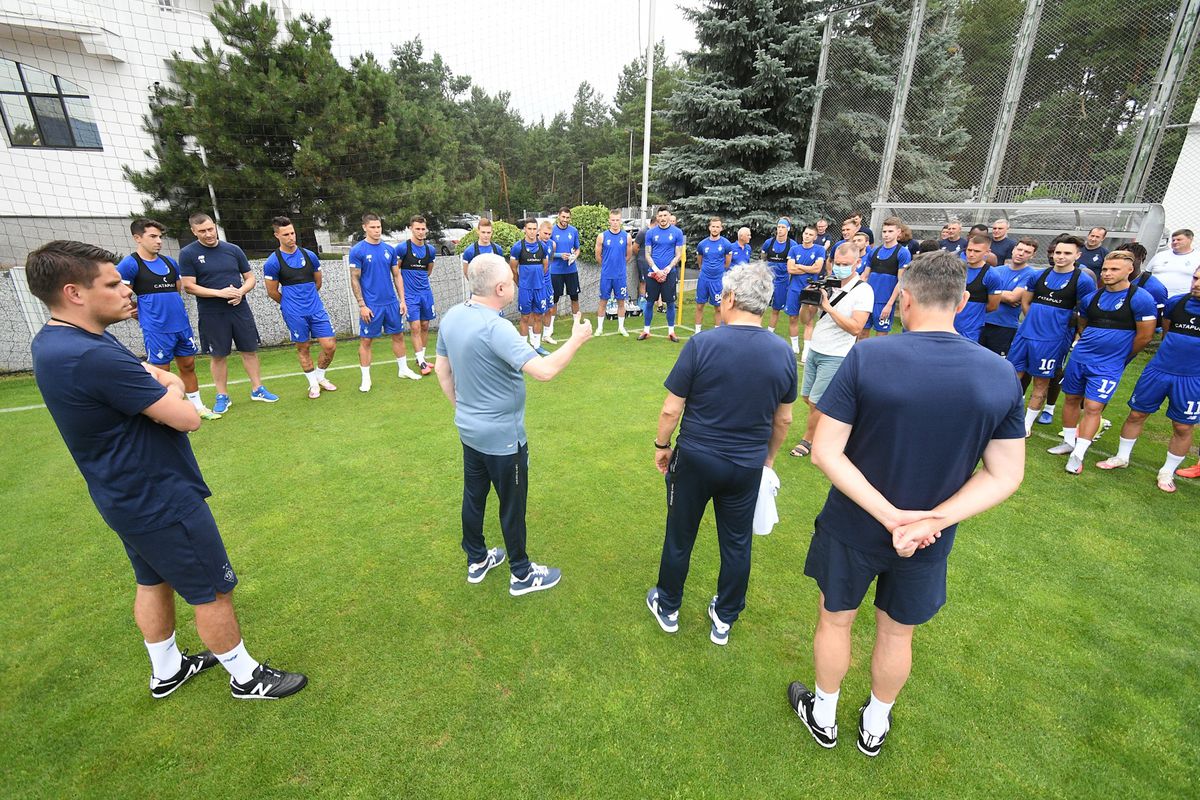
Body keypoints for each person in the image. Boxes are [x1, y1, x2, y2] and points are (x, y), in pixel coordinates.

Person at [28, 240, 307, 700]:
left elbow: (159, 377)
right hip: (158, 494)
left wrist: (164, 383)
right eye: (114, 283)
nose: (127, 291)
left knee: (152, 579)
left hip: (122, 496)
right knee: (213, 588)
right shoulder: (88, 354)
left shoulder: (61, 340)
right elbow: (187, 416)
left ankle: (168, 670)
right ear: (74, 292)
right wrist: (168, 387)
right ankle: (246, 676)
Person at [787, 250, 1025, 757]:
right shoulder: (1000, 373)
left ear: (905, 299)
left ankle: (825, 714)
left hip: (856, 524)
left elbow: (825, 452)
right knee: (898, 636)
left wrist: (897, 518)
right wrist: (928, 521)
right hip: (927, 538)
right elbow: (1006, 475)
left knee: (835, 619)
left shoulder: (869, 356)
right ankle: (873, 724)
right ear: (962, 302)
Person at [646, 263, 796, 645]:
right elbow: (784, 420)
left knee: (680, 535)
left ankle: (668, 606)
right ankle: (724, 617)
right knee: (737, 542)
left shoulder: (703, 343)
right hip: (745, 463)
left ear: (730, 298)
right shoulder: (782, 352)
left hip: (696, 458)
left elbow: (670, 409)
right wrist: (768, 459)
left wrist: (662, 447)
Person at [434, 254, 593, 595]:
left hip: (469, 431)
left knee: (473, 496)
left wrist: (463, 410)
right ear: (501, 288)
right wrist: (577, 339)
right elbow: (545, 371)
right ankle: (521, 574)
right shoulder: (496, 327)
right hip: (504, 440)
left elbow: (441, 371)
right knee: (512, 504)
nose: (517, 283)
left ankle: (476, 559)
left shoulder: (453, 315)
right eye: (512, 278)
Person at [1048, 251, 1157, 474]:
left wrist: (1121, 357)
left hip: (1108, 365)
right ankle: (1069, 442)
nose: (1107, 273)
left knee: (1093, 406)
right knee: (1071, 399)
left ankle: (1079, 454)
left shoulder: (1141, 298)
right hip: (1081, 358)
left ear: (1130, 270)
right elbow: (1083, 325)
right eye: (1105, 269)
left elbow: (1145, 336)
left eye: (1114, 269)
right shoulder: (1092, 298)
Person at [1097, 265, 1200, 491]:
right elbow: (1166, 332)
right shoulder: (1176, 303)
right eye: (1195, 278)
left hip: (1192, 379)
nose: (1197, 284)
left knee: (1183, 426)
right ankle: (1121, 457)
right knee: (1137, 413)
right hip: (1158, 371)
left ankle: (1167, 472)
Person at [118, 219, 218, 420]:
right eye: (152, 237)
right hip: (156, 329)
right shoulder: (130, 264)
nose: (159, 241)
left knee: (188, 365)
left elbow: (177, 291)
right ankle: (169, 413)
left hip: (181, 326)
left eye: (160, 237)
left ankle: (197, 407)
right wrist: (137, 312)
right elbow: (121, 294)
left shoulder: (170, 263)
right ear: (137, 238)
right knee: (161, 372)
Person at [178, 213, 277, 412]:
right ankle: (222, 395)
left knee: (249, 350)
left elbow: (250, 278)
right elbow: (189, 286)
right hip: (212, 313)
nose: (208, 234)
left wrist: (241, 291)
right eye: (202, 231)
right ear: (193, 231)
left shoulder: (233, 250)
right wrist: (219, 293)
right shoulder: (188, 253)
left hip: (239, 309)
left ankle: (257, 389)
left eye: (210, 229)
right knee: (219, 355)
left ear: (215, 226)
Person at [787, 243, 874, 459]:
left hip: (837, 354)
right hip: (816, 348)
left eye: (846, 264)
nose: (840, 268)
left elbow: (856, 327)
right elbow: (807, 321)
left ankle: (808, 439)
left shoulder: (863, 290)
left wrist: (828, 307)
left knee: (818, 401)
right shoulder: (826, 284)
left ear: (857, 263)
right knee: (807, 397)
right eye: (837, 263)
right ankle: (842, 425)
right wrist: (808, 304)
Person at [1008, 235, 1096, 435]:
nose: (1061, 257)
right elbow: (1026, 302)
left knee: (1041, 382)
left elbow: (1084, 312)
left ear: (1077, 255)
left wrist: (1075, 333)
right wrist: (1035, 322)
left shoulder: (1082, 281)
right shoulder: (1038, 276)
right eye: (1058, 252)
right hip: (1025, 335)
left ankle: (1026, 424)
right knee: (1012, 377)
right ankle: (1006, 414)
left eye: (1067, 253)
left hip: (1053, 340)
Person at [262, 217, 337, 400]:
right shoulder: (273, 262)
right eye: (286, 234)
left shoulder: (309, 255)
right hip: (294, 313)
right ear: (277, 236)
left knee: (330, 346)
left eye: (292, 233)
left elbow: (317, 282)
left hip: (316, 309)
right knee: (303, 347)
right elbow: (272, 292)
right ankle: (313, 384)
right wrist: (290, 305)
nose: (291, 237)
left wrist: (308, 299)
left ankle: (320, 377)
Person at [349, 213, 420, 391]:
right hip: (371, 306)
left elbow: (397, 275)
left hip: (391, 304)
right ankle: (366, 379)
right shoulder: (358, 251)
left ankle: (403, 369)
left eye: (379, 227)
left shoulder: (389, 249)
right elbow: (354, 278)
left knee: (398, 335)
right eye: (373, 227)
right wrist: (362, 305)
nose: (377, 230)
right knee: (366, 341)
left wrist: (402, 300)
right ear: (364, 227)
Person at [979, 237, 1038, 357]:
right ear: (1013, 250)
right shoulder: (996, 270)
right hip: (982, 322)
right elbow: (979, 291)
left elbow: (1013, 298)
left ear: (1033, 255)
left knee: (996, 363)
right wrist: (1004, 295)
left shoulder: (1031, 274)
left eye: (1027, 252)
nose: (1021, 254)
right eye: (1019, 249)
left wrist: (992, 294)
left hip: (1004, 326)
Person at [858, 217, 911, 339]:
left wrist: (889, 304)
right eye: (884, 231)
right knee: (861, 333)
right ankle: (860, 357)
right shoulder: (874, 251)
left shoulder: (902, 253)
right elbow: (865, 276)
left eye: (890, 231)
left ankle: (877, 358)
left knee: (880, 337)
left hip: (884, 302)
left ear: (898, 232)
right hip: (868, 300)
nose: (886, 234)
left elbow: (901, 281)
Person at [398, 215, 438, 374]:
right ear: (411, 229)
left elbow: (428, 271)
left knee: (425, 325)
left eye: (423, 229)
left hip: (425, 294)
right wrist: (403, 296)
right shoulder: (402, 249)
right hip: (410, 295)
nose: (421, 232)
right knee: (414, 327)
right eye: (417, 229)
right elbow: (397, 272)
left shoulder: (430, 250)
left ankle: (420, 356)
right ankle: (421, 363)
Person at [640, 206, 685, 342]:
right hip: (653, 273)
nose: (663, 218)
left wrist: (667, 269)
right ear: (657, 217)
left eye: (665, 215)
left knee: (670, 303)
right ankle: (646, 330)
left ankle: (671, 332)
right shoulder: (651, 233)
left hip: (669, 273)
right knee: (649, 302)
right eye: (660, 216)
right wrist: (655, 269)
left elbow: (678, 254)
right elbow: (647, 253)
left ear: (669, 216)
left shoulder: (677, 232)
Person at [509, 219, 551, 355]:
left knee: (538, 316)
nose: (532, 232)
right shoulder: (517, 247)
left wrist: (539, 280)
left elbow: (545, 266)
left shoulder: (542, 247)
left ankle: (537, 346)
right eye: (529, 229)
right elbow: (513, 270)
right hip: (525, 289)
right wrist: (521, 285)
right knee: (525, 318)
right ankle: (522, 348)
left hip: (539, 288)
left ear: (537, 230)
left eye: (534, 229)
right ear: (525, 230)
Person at [785, 223, 827, 359]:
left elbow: (817, 269)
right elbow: (790, 269)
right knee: (793, 317)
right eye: (805, 233)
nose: (807, 236)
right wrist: (808, 267)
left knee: (808, 320)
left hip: (811, 289)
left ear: (815, 237)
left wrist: (799, 266)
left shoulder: (820, 250)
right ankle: (795, 346)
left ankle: (806, 351)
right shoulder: (794, 249)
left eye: (810, 235)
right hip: (794, 288)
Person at [952, 235, 1004, 342]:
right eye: (969, 250)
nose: (971, 254)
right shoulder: (956, 269)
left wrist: (973, 312)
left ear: (987, 252)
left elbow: (993, 306)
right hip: (948, 326)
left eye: (976, 251)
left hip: (970, 330)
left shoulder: (992, 275)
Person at [595, 209, 633, 336]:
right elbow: (598, 256)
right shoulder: (602, 236)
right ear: (609, 221)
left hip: (620, 276)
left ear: (620, 221)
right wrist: (607, 266)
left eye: (617, 220)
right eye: (613, 220)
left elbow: (628, 256)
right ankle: (599, 328)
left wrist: (619, 266)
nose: (615, 223)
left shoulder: (626, 237)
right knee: (603, 301)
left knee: (621, 302)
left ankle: (621, 327)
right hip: (606, 275)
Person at [694, 217, 735, 332]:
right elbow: (699, 261)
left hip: (717, 280)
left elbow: (727, 263)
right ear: (709, 228)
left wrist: (718, 271)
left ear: (721, 228)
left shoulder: (726, 244)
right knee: (699, 306)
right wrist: (704, 269)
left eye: (717, 227)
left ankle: (717, 331)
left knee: (718, 307)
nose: (715, 229)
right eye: (713, 226)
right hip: (704, 279)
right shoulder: (702, 244)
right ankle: (697, 331)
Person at [548, 207, 582, 339]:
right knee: (554, 299)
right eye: (563, 217)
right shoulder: (551, 230)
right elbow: (547, 253)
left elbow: (577, 249)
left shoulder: (573, 231)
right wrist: (559, 255)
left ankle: (576, 326)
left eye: (567, 218)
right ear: (558, 216)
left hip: (571, 270)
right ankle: (549, 327)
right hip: (556, 271)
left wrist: (574, 256)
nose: (565, 220)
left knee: (574, 297)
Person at [762, 219, 798, 333]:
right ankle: (756, 329)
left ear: (787, 229)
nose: (780, 229)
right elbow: (763, 257)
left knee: (776, 309)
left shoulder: (792, 245)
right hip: (768, 279)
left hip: (782, 281)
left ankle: (769, 332)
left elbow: (794, 263)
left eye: (783, 227)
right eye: (778, 227)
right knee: (759, 306)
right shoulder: (769, 242)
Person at [1145, 228, 1199, 297]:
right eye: (1173, 240)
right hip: (1155, 297)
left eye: (1179, 240)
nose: (1175, 242)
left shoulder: (1197, 257)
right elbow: (1147, 274)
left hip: (1183, 300)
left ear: (1190, 240)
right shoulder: (1160, 255)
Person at [538, 221, 559, 344]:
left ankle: (546, 335)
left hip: (547, 280)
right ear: (539, 231)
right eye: (545, 233)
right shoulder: (534, 244)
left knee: (550, 309)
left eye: (549, 234)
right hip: (535, 281)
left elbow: (549, 260)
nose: (547, 236)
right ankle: (532, 337)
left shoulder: (552, 244)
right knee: (534, 311)